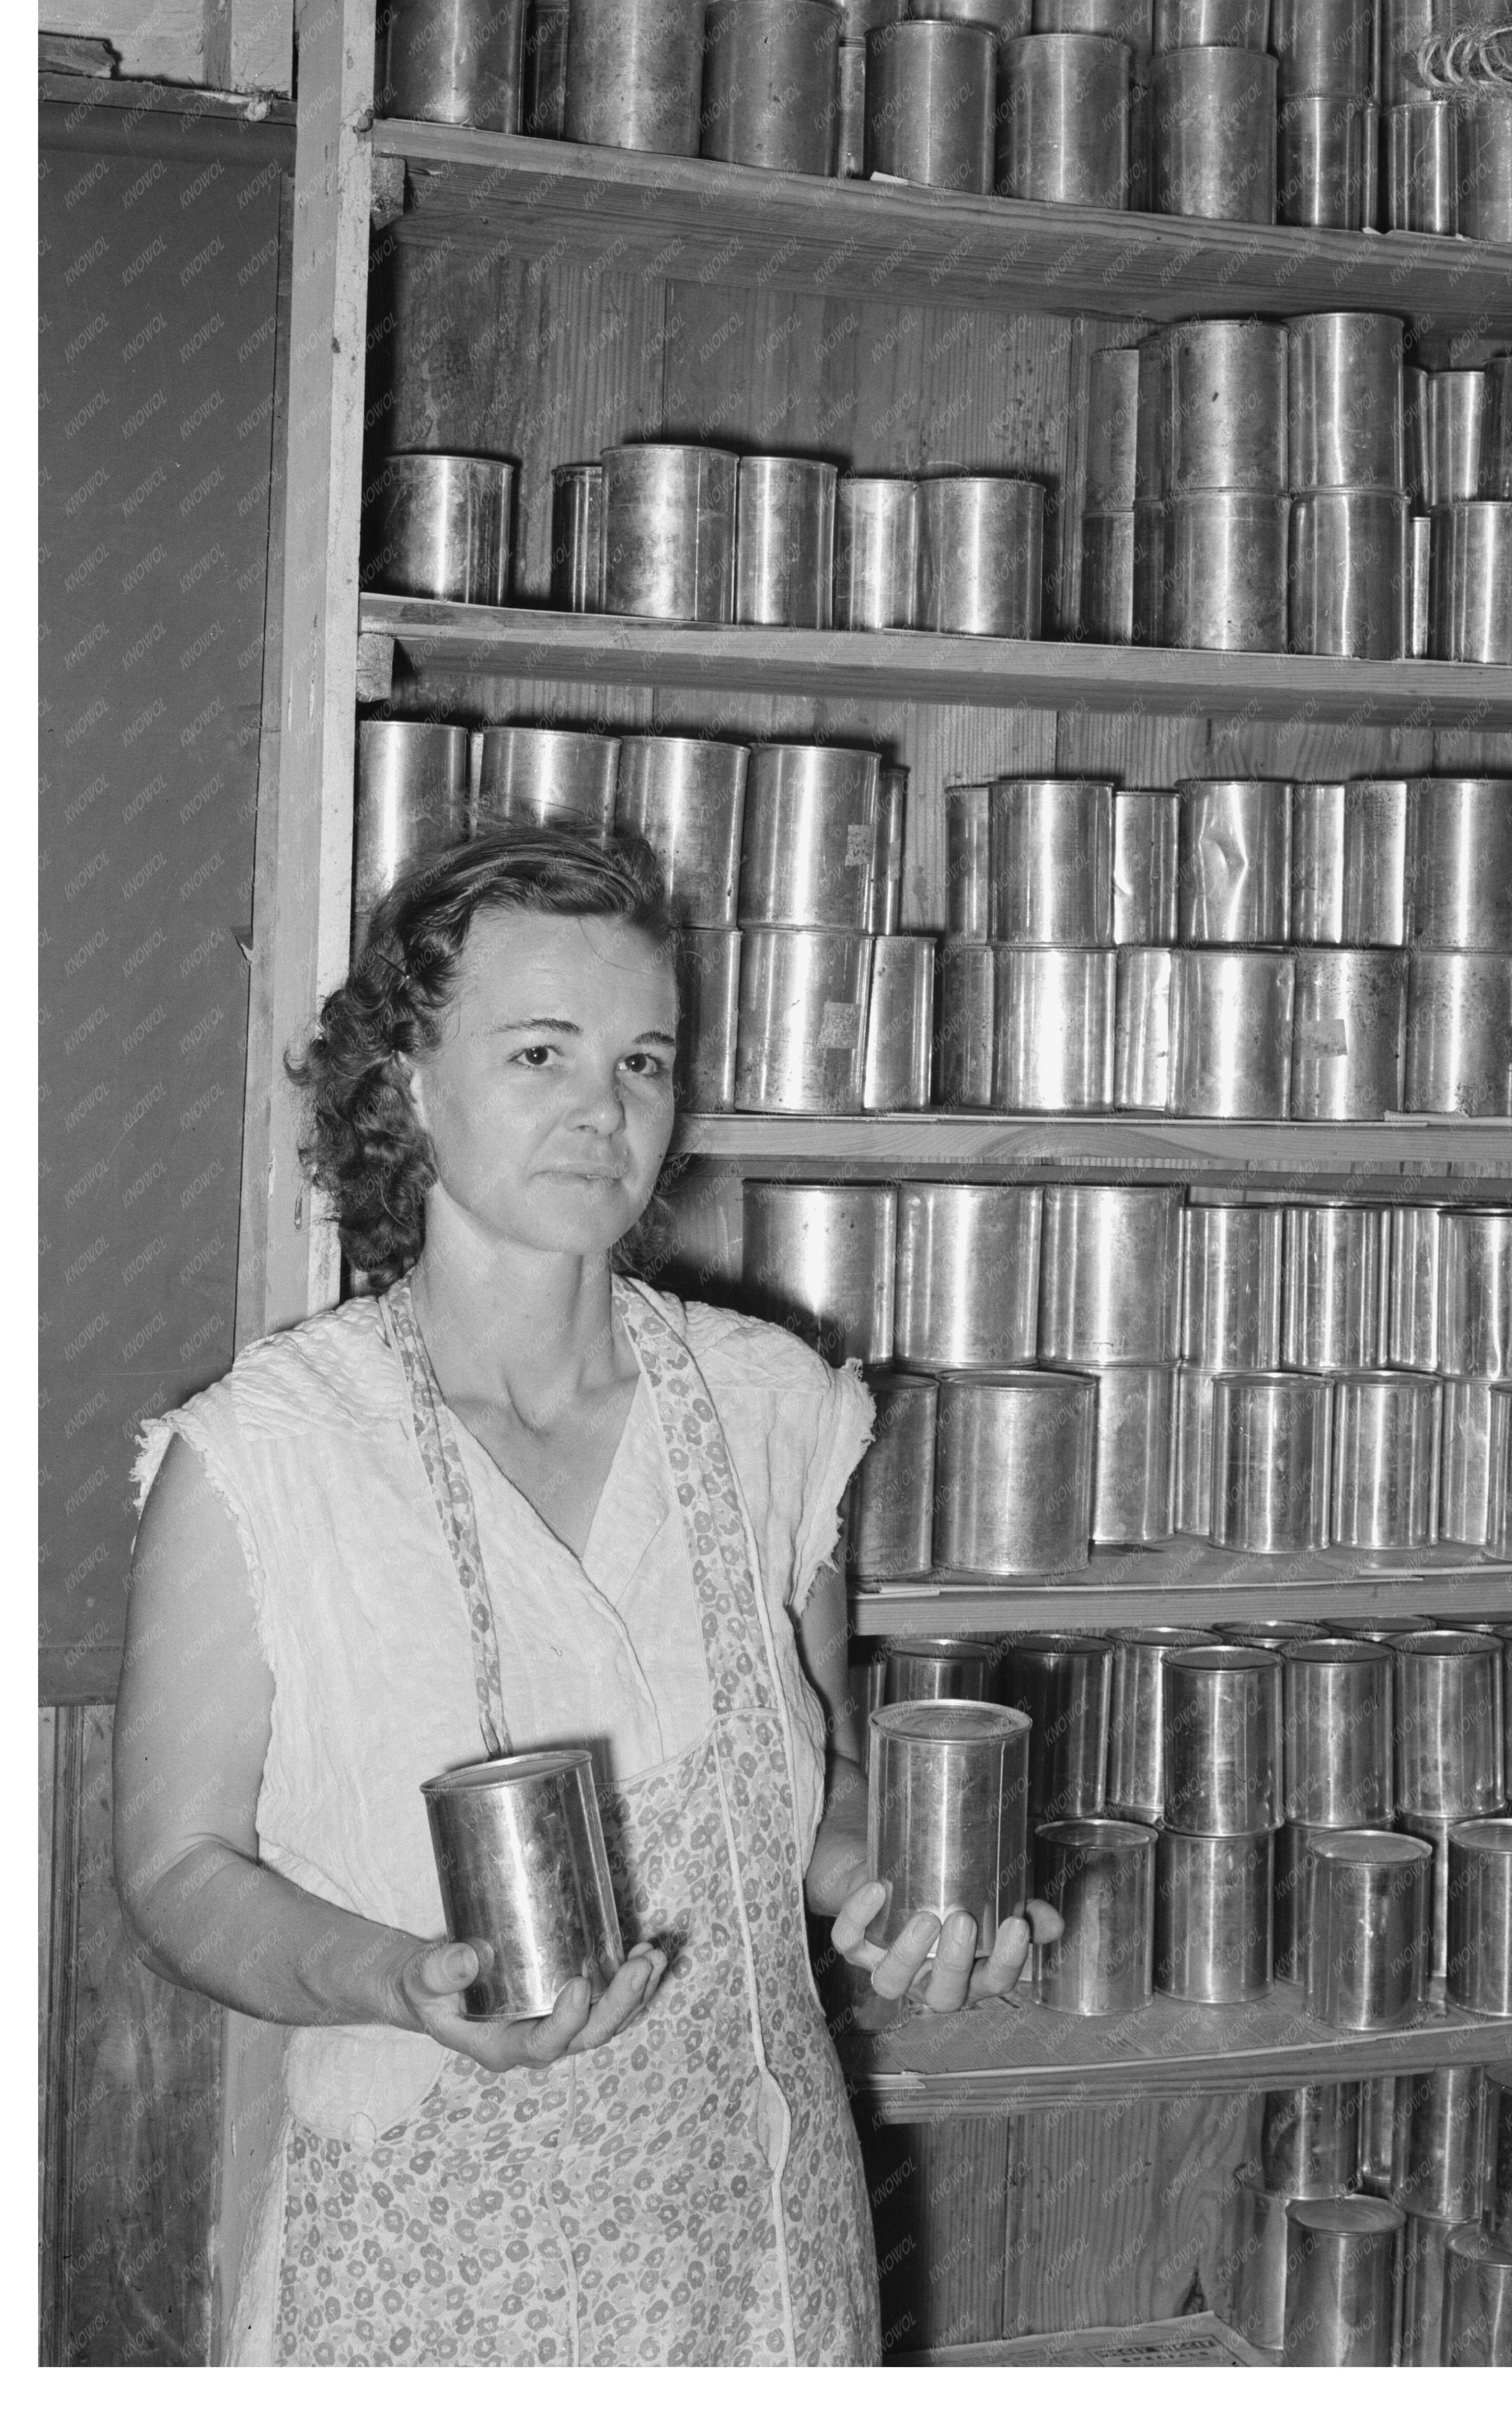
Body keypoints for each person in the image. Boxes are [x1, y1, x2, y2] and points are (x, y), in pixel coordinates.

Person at [112, 825, 1055, 2367]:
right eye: (539, 1052)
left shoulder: (771, 1408)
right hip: (427, 2261)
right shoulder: (265, 1456)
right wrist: (400, 1981)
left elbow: (805, 1775)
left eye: (642, 1060)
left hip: (750, 2228)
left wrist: (897, 1889)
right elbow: (176, 1867)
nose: (601, 1110)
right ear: (405, 1085)